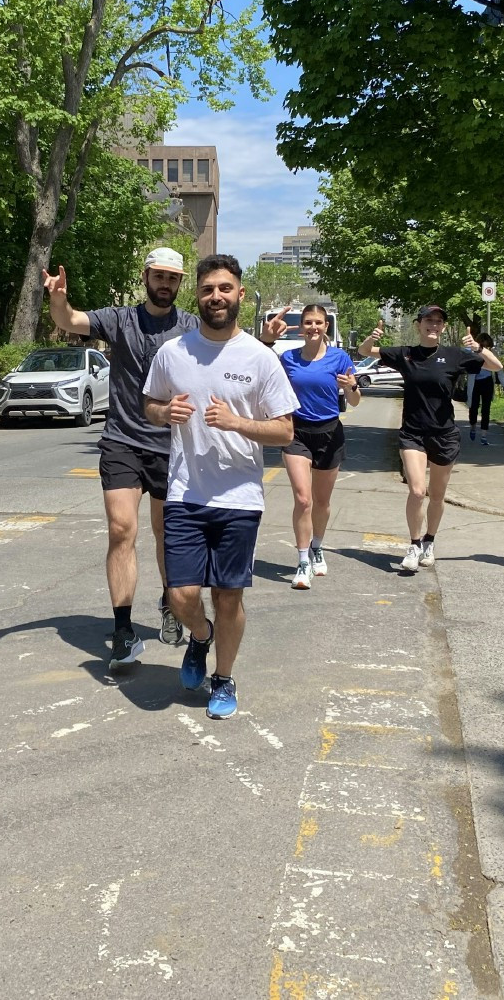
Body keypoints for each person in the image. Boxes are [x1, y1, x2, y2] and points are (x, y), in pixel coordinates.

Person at [143, 254, 298, 719]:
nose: (216, 297)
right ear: (199, 294)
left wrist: (237, 422)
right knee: (181, 595)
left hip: (239, 498)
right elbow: (150, 403)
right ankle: (200, 636)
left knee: (229, 597)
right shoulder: (173, 352)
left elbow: (285, 431)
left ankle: (224, 678)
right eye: (208, 289)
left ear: (239, 295)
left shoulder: (260, 357)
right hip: (185, 493)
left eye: (225, 289)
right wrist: (162, 413)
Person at [43, 248, 200, 670]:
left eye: (173, 278)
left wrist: (269, 342)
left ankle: (171, 602)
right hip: (123, 439)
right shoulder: (120, 319)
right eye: (159, 275)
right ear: (145, 276)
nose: (166, 284)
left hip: (173, 445)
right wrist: (58, 299)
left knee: (166, 536)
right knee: (120, 529)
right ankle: (124, 630)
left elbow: (227, 353)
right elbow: (71, 320)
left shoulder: (190, 327)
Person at [359, 305, 503, 573]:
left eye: (438, 322)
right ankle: (413, 544)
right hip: (413, 433)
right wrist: (373, 337)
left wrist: (478, 348)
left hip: (444, 434)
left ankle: (429, 541)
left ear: (444, 327)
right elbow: (365, 352)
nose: (433, 325)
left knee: (437, 496)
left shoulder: (455, 355)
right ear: (419, 324)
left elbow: (496, 366)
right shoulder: (406, 354)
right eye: (428, 320)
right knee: (417, 490)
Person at [259, 304, 361, 590]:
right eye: (308, 323)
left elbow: (355, 401)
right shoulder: (288, 358)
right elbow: (258, 362)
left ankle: (317, 545)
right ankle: (303, 560)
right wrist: (267, 339)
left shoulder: (340, 358)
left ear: (326, 326)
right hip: (297, 432)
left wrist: (350, 387)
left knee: (322, 501)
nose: (313, 327)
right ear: (301, 327)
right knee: (303, 499)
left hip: (330, 432)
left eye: (318, 322)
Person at [466, 332, 497, 445]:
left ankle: (484, 435)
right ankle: (473, 426)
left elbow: (499, 369)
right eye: (483, 345)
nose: (485, 348)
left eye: (487, 345)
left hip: (487, 382)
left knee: (486, 409)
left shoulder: (491, 353)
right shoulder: (472, 352)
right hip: (475, 383)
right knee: (473, 407)